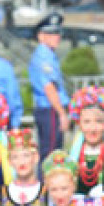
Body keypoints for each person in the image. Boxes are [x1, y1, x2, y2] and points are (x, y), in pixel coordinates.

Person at [29, 13, 69, 159]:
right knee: (52, 155)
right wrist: (62, 113)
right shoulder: (44, 56)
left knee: (52, 151)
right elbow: (49, 87)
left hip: (49, 109)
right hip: (50, 110)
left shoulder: (48, 54)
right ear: (41, 36)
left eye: (58, 33)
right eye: (51, 33)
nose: (57, 37)